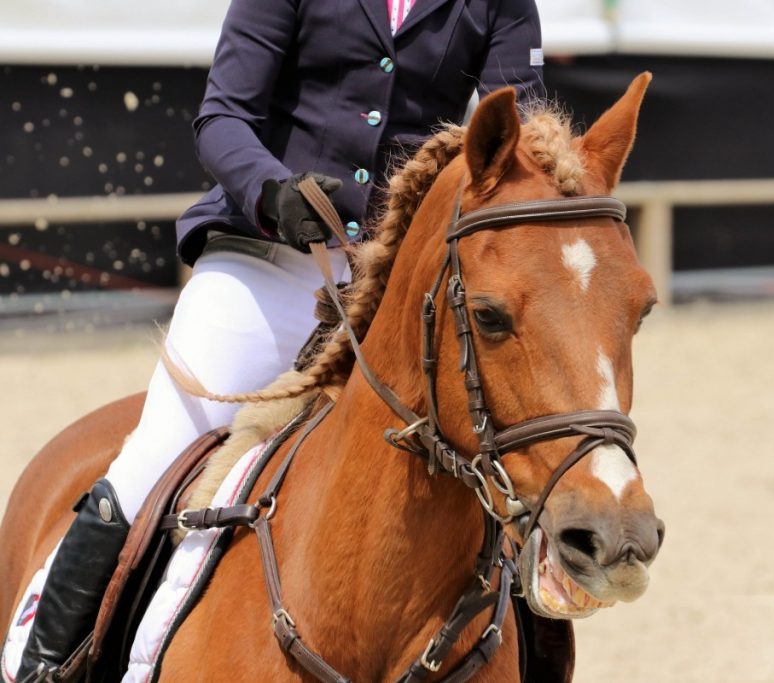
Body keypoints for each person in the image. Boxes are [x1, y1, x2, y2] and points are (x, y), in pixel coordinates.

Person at [17, 0, 542, 677]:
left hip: (401, 287)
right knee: (153, 458)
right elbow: (222, 118)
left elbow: (525, 137)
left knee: (514, 478)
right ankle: (41, 664)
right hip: (265, 263)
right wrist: (272, 192)